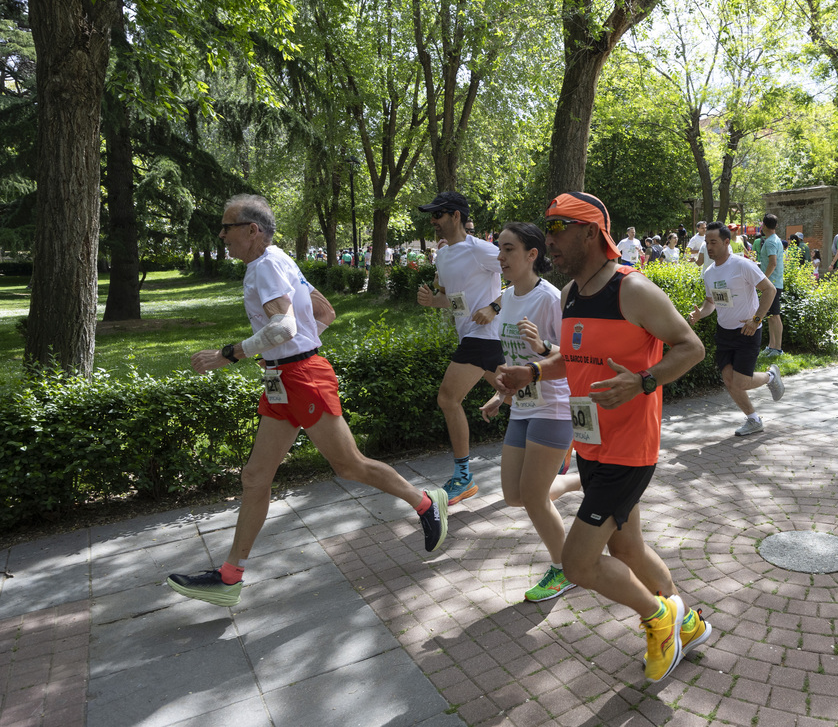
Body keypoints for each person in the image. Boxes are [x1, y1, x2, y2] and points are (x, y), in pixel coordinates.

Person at [168, 195, 448, 607]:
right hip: (284, 376)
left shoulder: (264, 266)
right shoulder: (280, 258)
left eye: (227, 227)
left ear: (252, 230)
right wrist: (297, 348)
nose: (222, 235)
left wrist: (227, 354)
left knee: (349, 465)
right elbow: (326, 312)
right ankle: (230, 577)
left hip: (300, 377)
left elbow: (282, 326)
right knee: (254, 477)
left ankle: (426, 503)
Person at [494, 192, 708, 683]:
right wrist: (532, 370)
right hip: (590, 441)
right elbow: (572, 359)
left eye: (559, 227)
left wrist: (644, 380)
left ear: (591, 232)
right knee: (627, 550)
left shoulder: (632, 290)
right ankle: (689, 623)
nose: (549, 238)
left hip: (629, 449)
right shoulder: (571, 294)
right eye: (548, 227)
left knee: (577, 563)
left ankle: (659, 618)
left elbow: (691, 346)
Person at [479, 223, 577, 602]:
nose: (500, 257)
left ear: (531, 254)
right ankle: (576, 480)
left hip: (554, 404)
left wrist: (542, 346)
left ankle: (565, 567)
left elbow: (570, 356)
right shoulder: (506, 298)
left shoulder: (550, 298)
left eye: (507, 249)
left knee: (534, 497)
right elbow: (511, 361)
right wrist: (500, 397)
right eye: (498, 250)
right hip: (521, 405)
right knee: (513, 494)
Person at [416, 191, 504, 504]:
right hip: (473, 336)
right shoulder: (443, 254)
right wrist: (432, 300)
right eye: (432, 215)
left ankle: (464, 476)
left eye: (438, 215)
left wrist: (494, 306)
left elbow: (525, 276)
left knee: (448, 398)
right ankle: (562, 438)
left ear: (456, 216)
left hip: (485, 334)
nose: (433, 221)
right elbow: (456, 302)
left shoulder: (481, 249)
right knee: (521, 394)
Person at [688, 222, 784, 436]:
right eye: (706, 243)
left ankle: (770, 376)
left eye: (713, 242)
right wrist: (699, 313)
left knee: (740, 381)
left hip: (747, 330)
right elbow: (710, 304)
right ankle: (753, 419)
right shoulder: (710, 273)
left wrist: (756, 320)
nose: (709, 247)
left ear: (725, 242)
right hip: (724, 332)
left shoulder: (742, 265)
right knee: (729, 379)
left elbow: (769, 290)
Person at [757, 214, 787, 358]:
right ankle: (771, 346)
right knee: (770, 316)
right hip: (773, 283)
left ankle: (777, 349)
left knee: (774, 316)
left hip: (772, 284)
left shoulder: (770, 242)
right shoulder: (775, 240)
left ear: (764, 225)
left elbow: (773, 263)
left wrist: (763, 279)